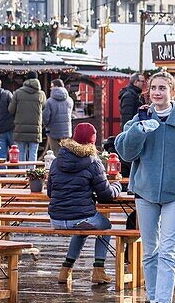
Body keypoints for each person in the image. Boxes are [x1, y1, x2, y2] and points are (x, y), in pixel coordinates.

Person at [115, 71, 175, 303]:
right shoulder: (141, 118)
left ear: (172, 92)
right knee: (150, 249)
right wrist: (139, 129)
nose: (157, 92)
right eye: (153, 87)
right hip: (146, 192)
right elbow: (125, 152)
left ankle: (162, 302)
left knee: (168, 249)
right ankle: (152, 300)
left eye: (162, 88)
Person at [46, 122, 122, 286]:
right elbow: (106, 195)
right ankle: (98, 270)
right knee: (105, 226)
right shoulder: (94, 163)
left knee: (83, 228)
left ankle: (65, 270)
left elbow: (50, 193)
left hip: (56, 219)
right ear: (92, 143)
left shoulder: (56, 161)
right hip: (79, 218)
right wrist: (118, 185)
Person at [9, 73, 46, 162]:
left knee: (21, 152)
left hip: (20, 127)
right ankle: (32, 174)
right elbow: (44, 108)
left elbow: (11, 110)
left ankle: (22, 173)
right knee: (33, 153)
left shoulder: (18, 93)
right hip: (36, 128)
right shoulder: (41, 94)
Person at [42, 79, 74, 154]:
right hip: (66, 131)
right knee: (66, 153)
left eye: (52, 86)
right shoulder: (69, 100)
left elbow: (45, 117)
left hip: (53, 131)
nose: (50, 88)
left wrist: (47, 126)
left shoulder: (49, 101)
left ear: (56, 86)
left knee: (56, 153)